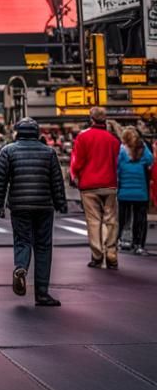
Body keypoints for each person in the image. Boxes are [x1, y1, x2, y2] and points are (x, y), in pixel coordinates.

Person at [0, 117, 66, 307]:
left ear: (17, 133)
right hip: (44, 205)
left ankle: (21, 268)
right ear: (37, 133)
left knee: (22, 240)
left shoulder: (8, 151)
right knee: (43, 246)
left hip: (19, 205)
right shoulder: (49, 152)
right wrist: (61, 203)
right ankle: (42, 293)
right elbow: (56, 181)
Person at [70, 106, 121, 269]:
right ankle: (111, 254)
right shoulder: (113, 140)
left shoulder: (83, 137)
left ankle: (97, 255)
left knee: (93, 221)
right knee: (111, 220)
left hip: (89, 185)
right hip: (110, 183)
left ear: (91, 119)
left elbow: (77, 161)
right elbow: (117, 162)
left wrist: (74, 175)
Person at [117, 127, 153, 255]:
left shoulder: (121, 150)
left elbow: (116, 166)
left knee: (121, 218)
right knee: (140, 219)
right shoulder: (142, 149)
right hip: (141, 192)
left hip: (124, 191)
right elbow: (150, 160)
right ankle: (138, 245)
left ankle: (118, 240)